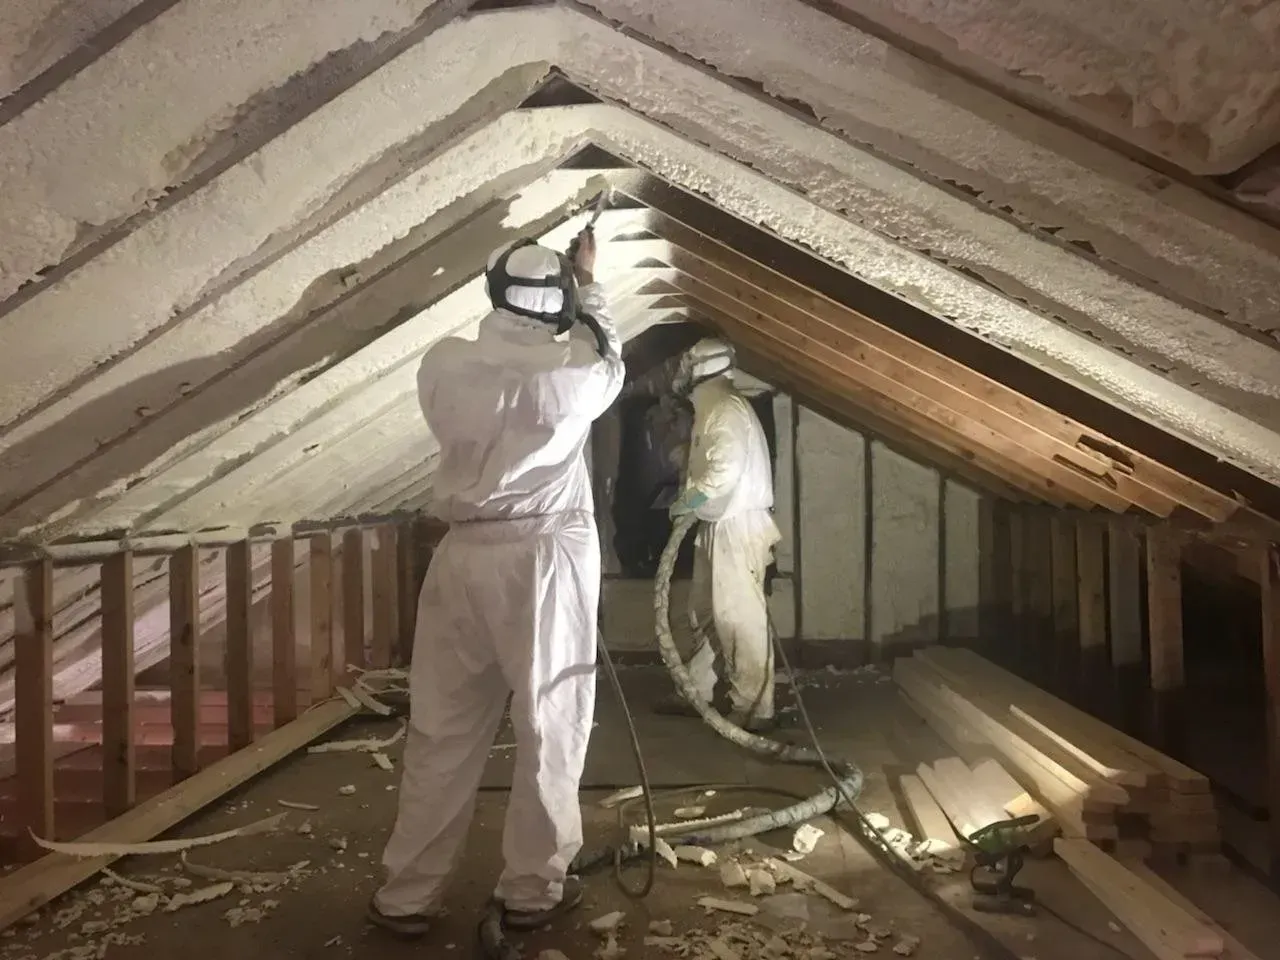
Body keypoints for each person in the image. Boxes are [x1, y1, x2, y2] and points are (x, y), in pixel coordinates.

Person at [368, 228, 624, 938]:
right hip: (543, 554)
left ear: (492, 294)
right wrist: (591, 281)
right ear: (561, 307)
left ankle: (406, 897)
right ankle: (533, 891)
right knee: (549, 725)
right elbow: (605, 344)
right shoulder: (579, 374)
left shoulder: (445, 364)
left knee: (441, 730)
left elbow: (517, 352)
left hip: (460, 556)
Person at [657, 338, 781, 733]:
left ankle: (754, 707)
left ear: (700, 367)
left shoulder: (723, 406)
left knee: (737, 617)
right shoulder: (714, 404)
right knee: (705, 613)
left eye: (688, 363)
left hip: (736, 525)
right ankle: (698, 690)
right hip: (720, 523)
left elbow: (725, 467)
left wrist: (693, 497)